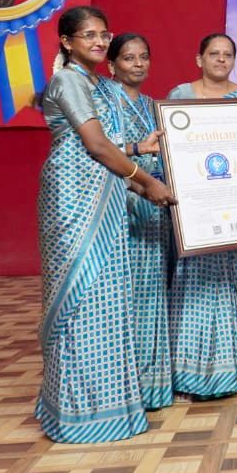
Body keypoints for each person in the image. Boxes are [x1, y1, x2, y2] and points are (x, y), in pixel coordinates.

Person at [35, 6, 172, 443]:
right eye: (88, 35)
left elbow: (106, 145)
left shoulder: (97, 85)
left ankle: (109, 407)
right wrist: (146, 181)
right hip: (74, 196)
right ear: (66, 41)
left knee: (108, 300)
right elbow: (93, 145)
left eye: (102, 33)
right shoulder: (68, 81)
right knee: (82, 298)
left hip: (107, 194)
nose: (98, 41)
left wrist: (136, 146)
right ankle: (78, 411)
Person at [166, 33, 237, 399]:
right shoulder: (180, 97)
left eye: (228, 55)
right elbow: (167, 151)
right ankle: (186, 376)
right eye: (214, 54)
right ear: (199, 59)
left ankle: (223, 376)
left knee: (225, 292)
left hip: (231, 214)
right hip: (193, 216)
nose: (221, 60)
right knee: (188, 292)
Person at [103, 33, 174, 409]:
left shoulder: (154, 107)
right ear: (112, 65)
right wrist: (136, 156)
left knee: (150, 297)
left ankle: (149, 386)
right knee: (117, 299)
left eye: (144, 57)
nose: (138, 64)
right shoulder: (102, 101)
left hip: (154, 212)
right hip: (117, 208)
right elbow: (93, 151)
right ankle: (118, 386)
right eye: (129, 58)